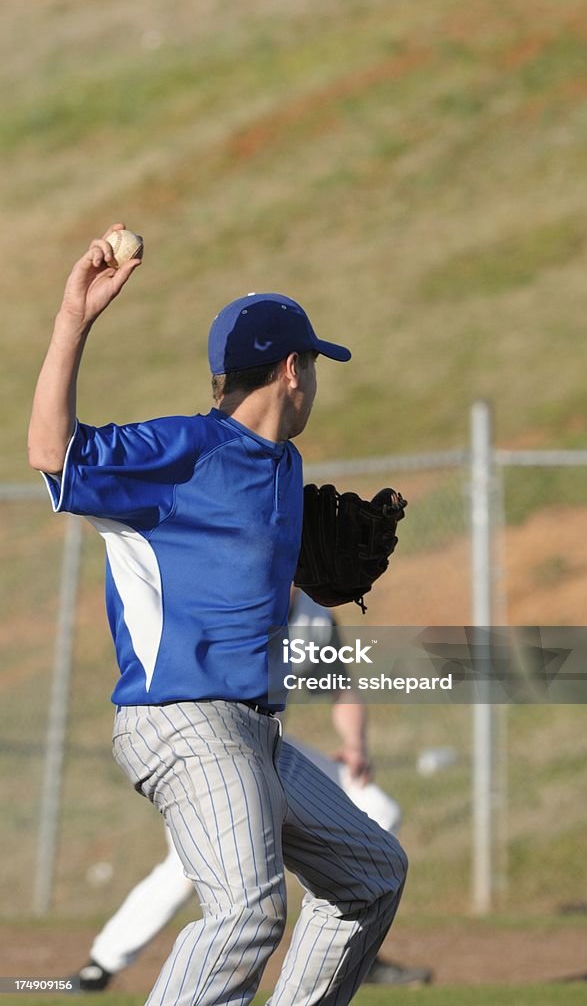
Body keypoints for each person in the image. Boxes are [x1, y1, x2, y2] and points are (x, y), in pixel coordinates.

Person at [28, 225, 407, 1006]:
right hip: (182, 719)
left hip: (256, 730)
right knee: (246, 913)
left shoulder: (286, 466)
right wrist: (74, 320)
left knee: (371, 874)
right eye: (316, 369)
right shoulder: (184, 450)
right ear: (293, 370)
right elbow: (51, 452)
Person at [69, 590, 432, 992]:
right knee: (187, 870)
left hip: (273, 746)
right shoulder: (235, 592)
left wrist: (355, 746)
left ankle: (351, 940)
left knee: (377, 809)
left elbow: (341, 688)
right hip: (209, 746)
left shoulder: (316, 617)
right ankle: (102, 963)